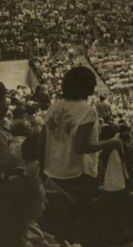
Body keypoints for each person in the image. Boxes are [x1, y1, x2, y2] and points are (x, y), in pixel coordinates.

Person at [42, 67, 120, 213]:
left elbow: (45, 138)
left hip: (53, 170)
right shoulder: (88, 110)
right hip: (76, 173)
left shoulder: (54, 107)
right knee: (83, 214)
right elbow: (81, 147)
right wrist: (111, 142)